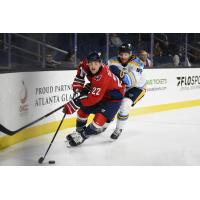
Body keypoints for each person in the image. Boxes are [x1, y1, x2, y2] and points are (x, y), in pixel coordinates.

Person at [63, 52, 125, 146]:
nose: (93, 66)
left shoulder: (104, 76)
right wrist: (77, 89)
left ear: (100, 63)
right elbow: (79, 77)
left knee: (98, 120)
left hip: (113, 98)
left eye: (96, 63)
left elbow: (93, 99)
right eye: (91, 63)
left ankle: (83, 136)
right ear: (87, 63)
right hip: (100, 92)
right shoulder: (84, 65)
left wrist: (75, 103)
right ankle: (78, 132)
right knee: (82, 112)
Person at [107, 43, 147, 139]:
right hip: (121, 86)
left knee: (125, 104)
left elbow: (131, 82)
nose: (123, 57)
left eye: (126, 54)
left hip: (137, 87)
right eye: (121, 54)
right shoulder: (112, 61)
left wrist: (117, 72)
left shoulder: (138, 63)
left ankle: (118, 129)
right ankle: (103, 126)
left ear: (130, 53)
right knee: (109, 104)